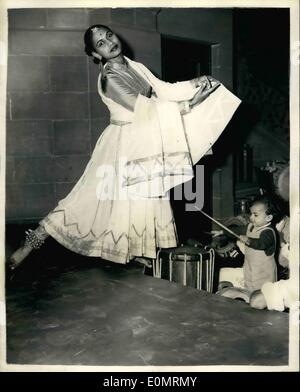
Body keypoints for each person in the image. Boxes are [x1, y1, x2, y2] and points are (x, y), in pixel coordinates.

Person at [8, 24, 241, 270]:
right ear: (96, 55)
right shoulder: (109, 78)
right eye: (101, 43)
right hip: (122, 145)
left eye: (109, 35)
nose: (109, 42)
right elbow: (144, 108)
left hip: (145, 139)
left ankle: (144, 256)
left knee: (145, 199)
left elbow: (163, 90)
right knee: (87, 200)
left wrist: (196, 83)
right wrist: (189, 105)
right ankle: (25, 248)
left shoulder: (134, 65)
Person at [218, 195, 279, 297]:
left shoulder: (269, 232)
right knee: (249, 290)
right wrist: (222, 232)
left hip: (264, 274)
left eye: (255, 215)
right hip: (250, 268)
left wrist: (248, 240)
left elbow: (262, 243)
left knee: (263, 297)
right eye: (251, 214)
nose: (251, 218)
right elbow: (236, 231)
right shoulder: (251, 226)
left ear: (269, 218)